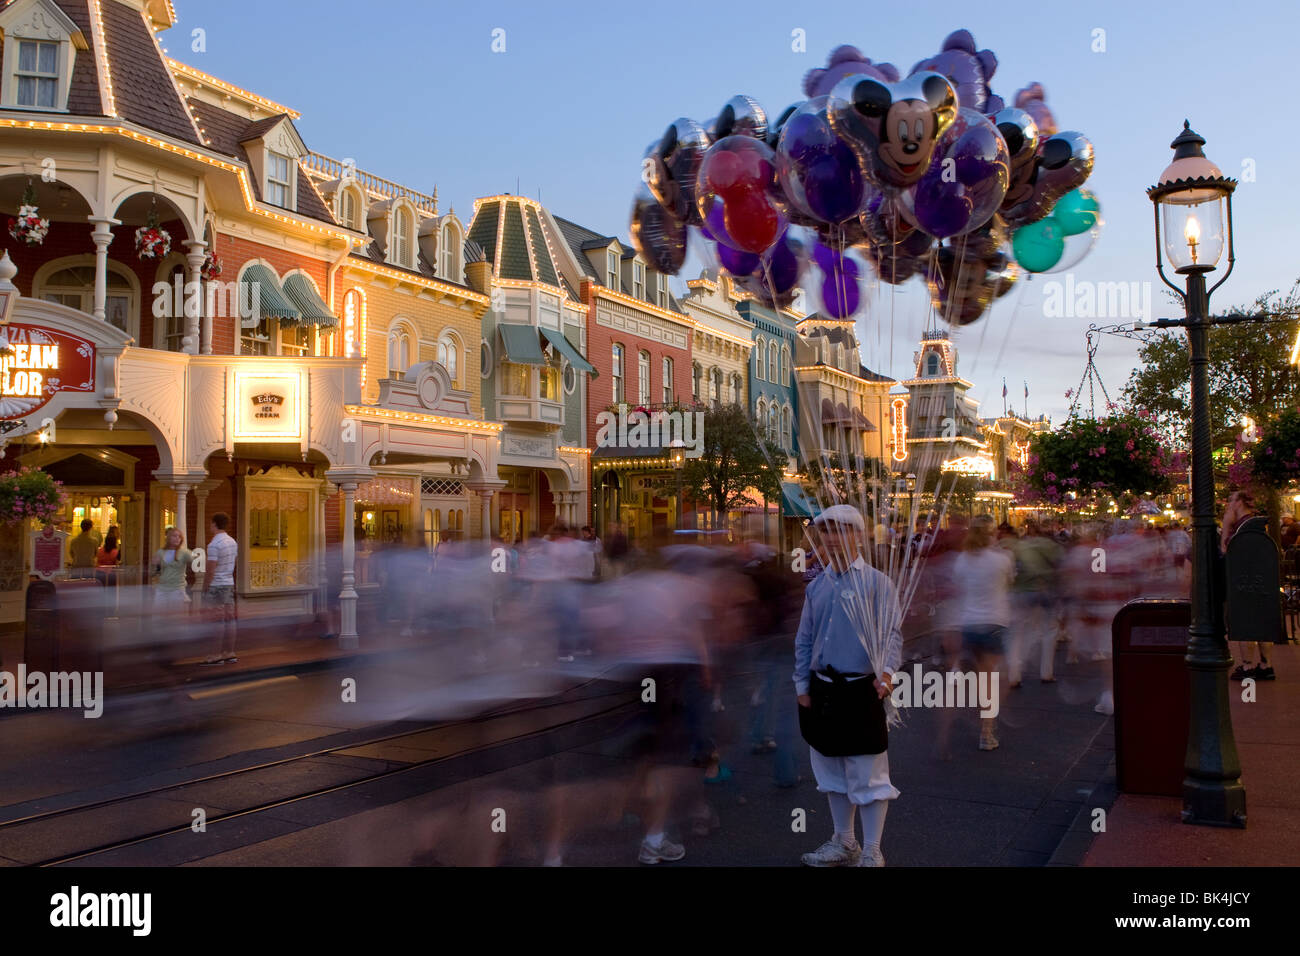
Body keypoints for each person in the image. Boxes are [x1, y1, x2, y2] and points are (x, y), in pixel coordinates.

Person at [795, 505, 901, 867]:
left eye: (840, 530)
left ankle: (872, 848)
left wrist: (886, 675)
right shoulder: (817, 586)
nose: (831, 538)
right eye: (826, 531)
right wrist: (801, 685)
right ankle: (844, 841)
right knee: (830, 769)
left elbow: (892, 635)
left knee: (868, 771)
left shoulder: (877, 583)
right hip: (822, 689)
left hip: (861, 689)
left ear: (858, 535)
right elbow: (805, 639)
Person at [952, 514, 1014, 750]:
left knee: (982, 678)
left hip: (969, 623)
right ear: (992, 533)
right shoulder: (1002, 559)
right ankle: (987, 729)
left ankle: (982, 713)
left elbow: (960, 587)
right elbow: (1008, 583)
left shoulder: (962, 559)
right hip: (994, 623)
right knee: (1000, 679)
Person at [1223, 491, 1276, 681]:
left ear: (1239, 503)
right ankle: (1266, 664)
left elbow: (1226, 553)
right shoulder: (1256, 525)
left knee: (1245, 623)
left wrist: (1226, 524)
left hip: (1244, 583)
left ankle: (1247, 666)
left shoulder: (1242, 527)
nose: (1228, 505)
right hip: (1262, 582)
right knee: (1262, 623)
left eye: (1230, 501)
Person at [202, 512, 239, 665]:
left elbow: (210, 569)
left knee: (216, 621)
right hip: (229, 583)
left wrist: (205, 587)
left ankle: (215, 655)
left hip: (216, 585)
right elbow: (233, 563)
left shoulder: (214, 545)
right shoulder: (232, 542)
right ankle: (229, 652)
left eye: (211, 523)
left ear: (214, 524)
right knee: (230, 619)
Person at [150, 526, 192, 610]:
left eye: (179, 536)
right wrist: (154, 565)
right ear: (169, 538)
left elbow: (198, 561)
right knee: (158, 617)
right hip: (162, 589)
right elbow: (153, 573)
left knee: (175, 618)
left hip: (177, 589)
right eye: (174, 536)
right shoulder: (161, 552)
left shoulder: (185, 552)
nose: (177, 538)